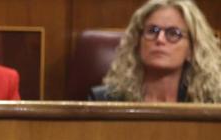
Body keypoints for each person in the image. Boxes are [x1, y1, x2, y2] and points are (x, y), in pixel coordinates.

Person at [90, 0, 221, 103]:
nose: (160, 39)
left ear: (191, 50)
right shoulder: (104, 100)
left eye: (173, 33)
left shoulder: (211, 103)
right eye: (152, 31)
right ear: (138, 42)